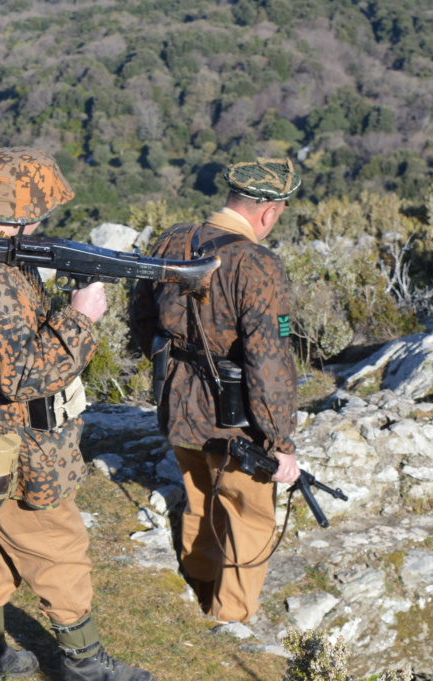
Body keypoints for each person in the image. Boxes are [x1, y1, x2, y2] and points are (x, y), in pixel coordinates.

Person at [0, 147, 154, 681]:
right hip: (15, 444)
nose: (42, 223)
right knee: (59, 548)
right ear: (16, 216)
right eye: (37, 216)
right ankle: (86, 667)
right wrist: (80, 318)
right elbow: (23, 376)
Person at [127, 156, 302, 626]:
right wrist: (280, 443)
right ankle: (230, 620)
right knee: (249, 518)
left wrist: (171, 368)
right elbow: (268, 361)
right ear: (269, 212)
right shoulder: (257, 263)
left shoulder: (172, 239)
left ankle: (197, 588)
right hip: (235, 418)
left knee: (199, 495)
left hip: (177, 401)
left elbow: (141, 317)